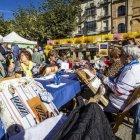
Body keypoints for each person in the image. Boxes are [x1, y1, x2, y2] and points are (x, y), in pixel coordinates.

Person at [103, 45, 140, 113]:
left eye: (121, 55)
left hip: (116, 104)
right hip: (124, 101)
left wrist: (106, 80)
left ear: (128, 57)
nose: (119, 57)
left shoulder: (130, 71)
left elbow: (119, 90)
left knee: (93, 99)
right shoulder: (136, 66)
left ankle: (106, 118)